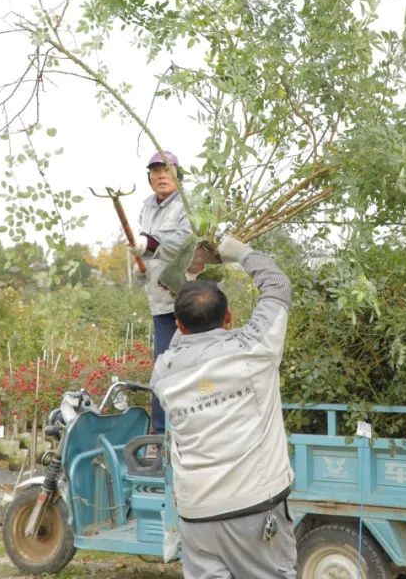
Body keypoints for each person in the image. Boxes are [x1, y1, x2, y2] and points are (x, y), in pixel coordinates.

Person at [150, 236, 297, 579]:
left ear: (180, 325)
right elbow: (277, 286)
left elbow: (179, 343)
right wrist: (241, 253)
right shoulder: (254, 350)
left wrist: (186, 285)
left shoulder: (164, 373)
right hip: (255, 513)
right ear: (228, 316)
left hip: (197, 518)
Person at [129, 150, 192, 435]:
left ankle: (186, 433)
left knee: (190, 367)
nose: (161, 175)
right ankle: (160, 435)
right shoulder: (146, 207)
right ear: (149, 177)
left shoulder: (190, 205)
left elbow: (184, 240)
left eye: (167, 169)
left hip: (190, 301)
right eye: (155, 170)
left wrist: (150, 243)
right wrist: (141, 264)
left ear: (178, 174)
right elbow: (149, 253)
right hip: (161, 302)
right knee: (162, 368)